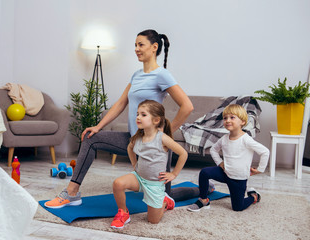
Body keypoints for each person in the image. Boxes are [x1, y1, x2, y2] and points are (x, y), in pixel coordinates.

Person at [45, 29, 201, 209]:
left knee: (166, 195)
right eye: (135, 45)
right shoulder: (136, 75)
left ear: (154, 47)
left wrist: (166, 133)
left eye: (141, 44)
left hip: (155, 148)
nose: (136, 49)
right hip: (133, 140)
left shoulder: (162, 75)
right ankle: (72, 193)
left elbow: (187, 106)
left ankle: (202, 190)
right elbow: (120, 104)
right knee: (91, 138)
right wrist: (98, 126)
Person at [111, 100, 188, 228]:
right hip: (139, 178)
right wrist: (135, 164)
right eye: (137, 114)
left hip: (154, 184)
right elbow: (130, 148)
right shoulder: (138, 137)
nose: (138, 117)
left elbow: (183, 154)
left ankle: (165, 201)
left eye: (143, 114)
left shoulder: (162, 138)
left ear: (156, 120)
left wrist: (174, 174)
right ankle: (123, 213)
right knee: (118, 183)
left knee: (153, 221)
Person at [187, 104, 270, 212]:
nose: (227, 120)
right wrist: (220, 163)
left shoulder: (246, 139)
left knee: (237, 208)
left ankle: (254, 196)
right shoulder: (224, 138)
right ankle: (204, 200)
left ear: (243, 122)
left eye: (232, 117)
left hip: (238, 179)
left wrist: (260, 169)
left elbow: (265, 152)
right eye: (225, 118)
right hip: (225, 173)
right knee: (204, 173)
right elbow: (213, 150)